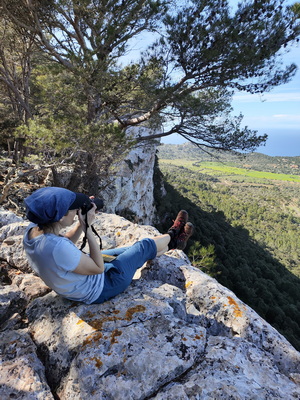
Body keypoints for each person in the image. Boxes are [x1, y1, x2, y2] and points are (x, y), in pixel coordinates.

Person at [23, 187, 194, 304]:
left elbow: (65, 241)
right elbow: (97, 268)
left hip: (79, 281)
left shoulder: (33, 231)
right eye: (74, 208)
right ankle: (173, 233)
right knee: (144, 246)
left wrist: (78, 224)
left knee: (130, 250)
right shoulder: (57, 248)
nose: (77, 211)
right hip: (103, 286)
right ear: (60, 217)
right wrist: (88, 228)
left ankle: (175, 244)